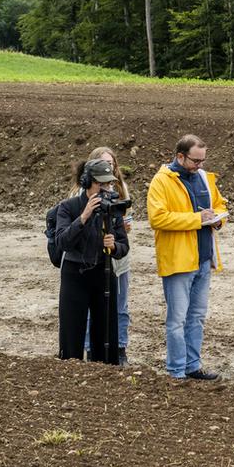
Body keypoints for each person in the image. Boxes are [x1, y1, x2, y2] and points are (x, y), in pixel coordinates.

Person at [148, 134, 228, 381]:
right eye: (195, 161)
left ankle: (193, 366)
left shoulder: (203, 177)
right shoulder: (161, 182)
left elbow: (220, 205)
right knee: (177, 320)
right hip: (178, 262)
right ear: (180, 156)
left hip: (204, 259)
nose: (200, 165)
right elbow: (157, 218)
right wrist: (197, 220)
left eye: (202, 160)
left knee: (196, 317)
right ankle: (176, 370)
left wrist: (219, 219)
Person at [54, 159, 129, 364]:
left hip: (103, 271)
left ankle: (106, 372)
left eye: (109, 184)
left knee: (106, 330)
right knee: (72, 330)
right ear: (86, 182)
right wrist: (84, 217)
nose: (106, 189)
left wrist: (113, 246)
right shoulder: (68, 207)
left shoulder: (112, 209)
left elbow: (124, 247)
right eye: (100, 184)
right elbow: (62, 242)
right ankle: (71, 372)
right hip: (74, 274)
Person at [78, 147, 134, 365]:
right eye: (103, 163)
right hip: (94, 258)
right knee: (94, 307)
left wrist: (123, 227)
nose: (109, 167)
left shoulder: (121, 188)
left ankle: (120, 349)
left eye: (111, 163)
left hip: (118, 257)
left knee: (121, 306)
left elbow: (124, 218)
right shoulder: (81, 194)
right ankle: (91, 349)